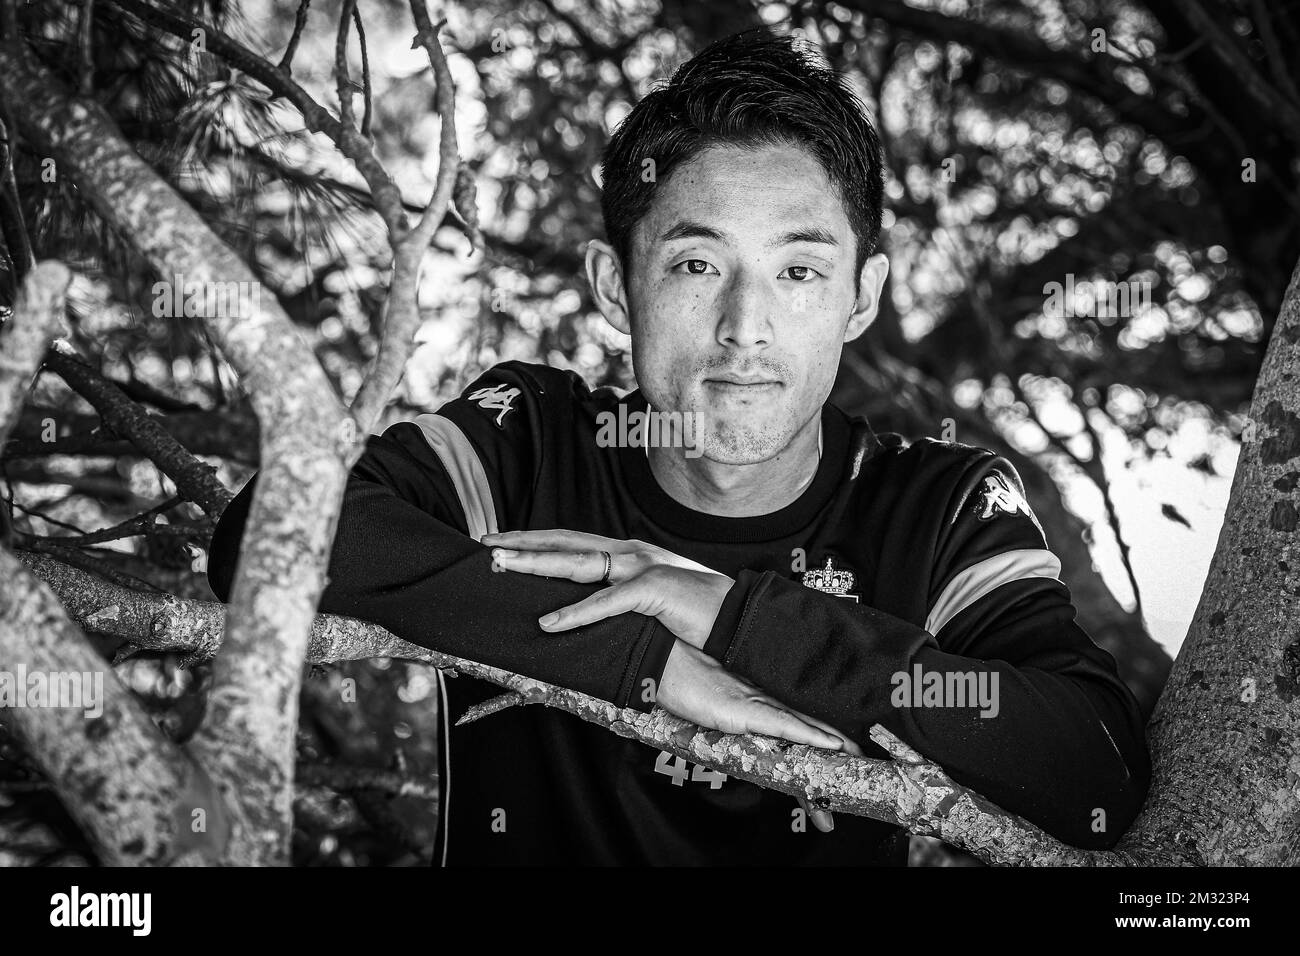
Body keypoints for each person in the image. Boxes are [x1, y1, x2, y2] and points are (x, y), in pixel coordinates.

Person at [207, 28, 1150, 866]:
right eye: (697, 264)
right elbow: (268, 532)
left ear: (861, 297)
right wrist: (639, 661)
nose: (746, 324)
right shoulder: (531, 440)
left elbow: (1095, 773)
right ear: (615, 288)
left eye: (798, 270)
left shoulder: (937, 506)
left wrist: (737, 621)